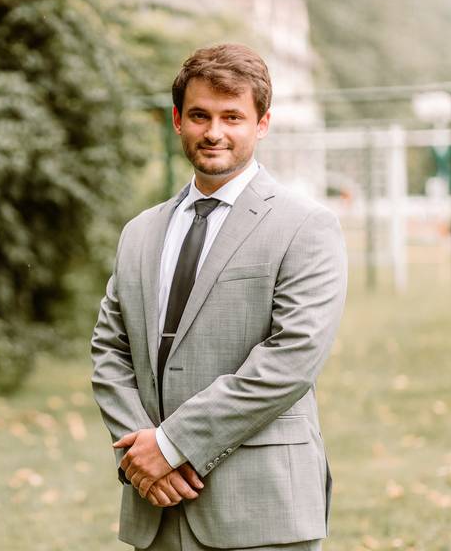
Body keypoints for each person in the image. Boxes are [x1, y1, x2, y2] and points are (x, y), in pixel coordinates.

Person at [90, 43, 347, 550]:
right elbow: (109, 352)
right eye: (200, 115)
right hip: (156, 506)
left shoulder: (306, 226)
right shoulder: (140, 232)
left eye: (233, 117)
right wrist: (141, 458)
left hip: (261, 507)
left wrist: (170, 444)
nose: (214, 132)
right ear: (177, 120)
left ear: (262, 123)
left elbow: (291, 361)